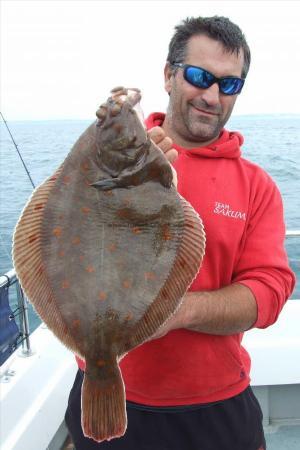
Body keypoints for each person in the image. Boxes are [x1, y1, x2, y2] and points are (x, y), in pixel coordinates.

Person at [65, 15, 295, 450]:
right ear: (168, 76)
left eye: (229, 85)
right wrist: (115, 170)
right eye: (198, 76)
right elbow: (65, 237)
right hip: (107, 388)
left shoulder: (257, 185)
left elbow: (269, 291)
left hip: (216, 407)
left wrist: (177, 312)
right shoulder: (104, 162)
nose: (212, 95)